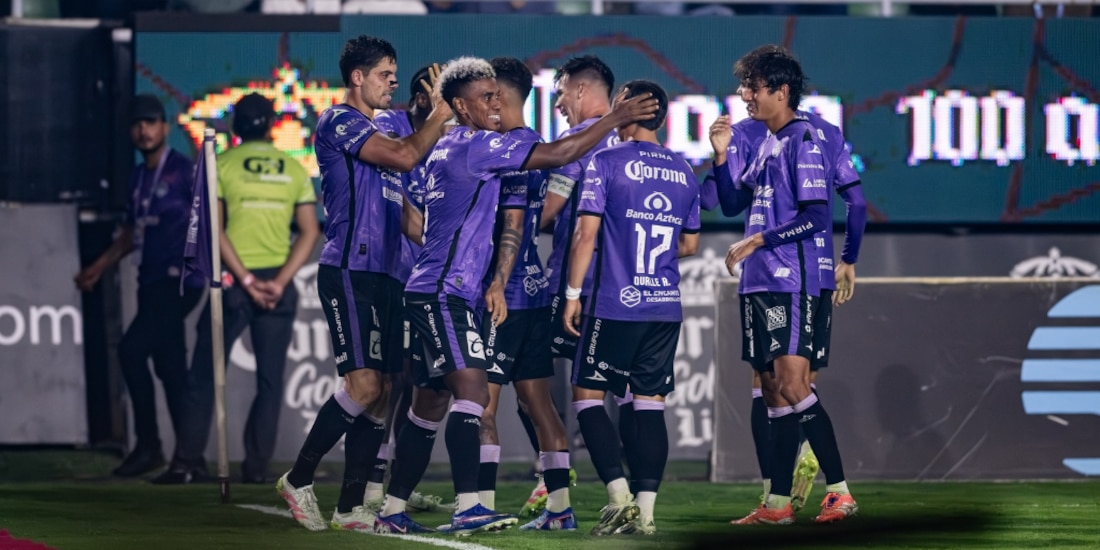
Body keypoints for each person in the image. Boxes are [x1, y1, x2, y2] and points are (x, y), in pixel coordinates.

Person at [375, 56, 658, 536]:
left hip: (448, 289)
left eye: (496, 94)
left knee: (430, 405)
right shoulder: (479, 147)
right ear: (460, 106)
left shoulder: (450, 146)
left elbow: (486, 219)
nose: (494, 103)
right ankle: (470, 506)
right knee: (473, 393)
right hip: (446, 293)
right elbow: (558, 156)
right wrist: (614, 118)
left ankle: (391, 509)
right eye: (485, 97)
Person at [275, 36, 453, 532]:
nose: (392, 82)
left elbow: (410, 218)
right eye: (384, 75)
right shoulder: (340, 121)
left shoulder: (387, 131)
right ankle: (298, 478)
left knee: (384, 391)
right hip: (350, 271)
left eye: (395, 75)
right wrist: (439, 113)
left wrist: (451, 252)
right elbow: (404, 156)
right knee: (365, 385)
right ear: (357, 77)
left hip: (389, 276)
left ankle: (351, 507)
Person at [719, 45, 857, 525]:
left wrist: (759, 239)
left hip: (790, 281)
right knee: (774, 392)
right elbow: (732, 201)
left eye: (752, 86)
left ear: (780, 91)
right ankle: (777, 504)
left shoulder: (804, 140)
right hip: (760, 282)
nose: (745, 95)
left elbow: (818, 216)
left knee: (794, 386)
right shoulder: (767, 142)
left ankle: (839, 492)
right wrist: (720, 155)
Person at [154, 92, 320, 486]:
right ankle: (257, 468)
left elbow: (213, 229)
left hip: (232, 282)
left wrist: (245, 279)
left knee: (204, 374)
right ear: (271, 125)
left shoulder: (222, 165)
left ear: (234, 126)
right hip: (277, 285)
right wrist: (279, 281)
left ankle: (187, 463)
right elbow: (310, 231)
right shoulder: (294, 169)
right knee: (270, 381)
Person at [561, 80, 700, 536]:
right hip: (664, 306)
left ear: (627, 108)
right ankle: (647, 513)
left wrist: (572, 294)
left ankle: (619, 498)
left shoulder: (605, 161)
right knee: (649, 406)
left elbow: (584, 235)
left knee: (586, 397)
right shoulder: (684, 169)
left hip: (615, 303)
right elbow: (689, 245)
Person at [467, 56, 575, 531]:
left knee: (482, 407)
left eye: (490, 94)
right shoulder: (536, 145)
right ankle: (560, 509)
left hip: (502, 296)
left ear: (503, 95)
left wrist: (494, 282)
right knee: (539, 405)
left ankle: (480, 506)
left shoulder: (506, 150)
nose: (486, 102)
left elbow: (510, 223)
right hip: (534, 291)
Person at [75, 94, 202, 478]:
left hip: (179, 281)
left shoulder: (184, 170)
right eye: (137, 124)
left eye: (150, 122)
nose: (143, 130)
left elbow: (212, 219)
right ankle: (189, 458)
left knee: (131, 351)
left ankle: (151, 446)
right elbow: (131, 232)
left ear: (165, 127)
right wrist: (98, 268)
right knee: (170, 366)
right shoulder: (137, 177)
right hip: (150, 281)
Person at [521, 55, 623, 517]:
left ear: (581, 90)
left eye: (561, 92)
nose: (559, 103)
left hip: (573, 286)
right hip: (625, 288)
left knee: (529, 381)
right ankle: (632, 498)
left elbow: (548, 212)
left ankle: (556, 484)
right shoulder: (633, 143)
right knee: (628, 397)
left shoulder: (579, 142)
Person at [369, 64, 454, 515]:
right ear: (423, 99)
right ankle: (371, 482)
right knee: (387, 380)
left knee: (415, 382)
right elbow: (397, 195)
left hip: (426, 278)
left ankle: (396, 482)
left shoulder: (449, 138)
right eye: (442, 99)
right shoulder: (390, 124)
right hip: (390, 271)